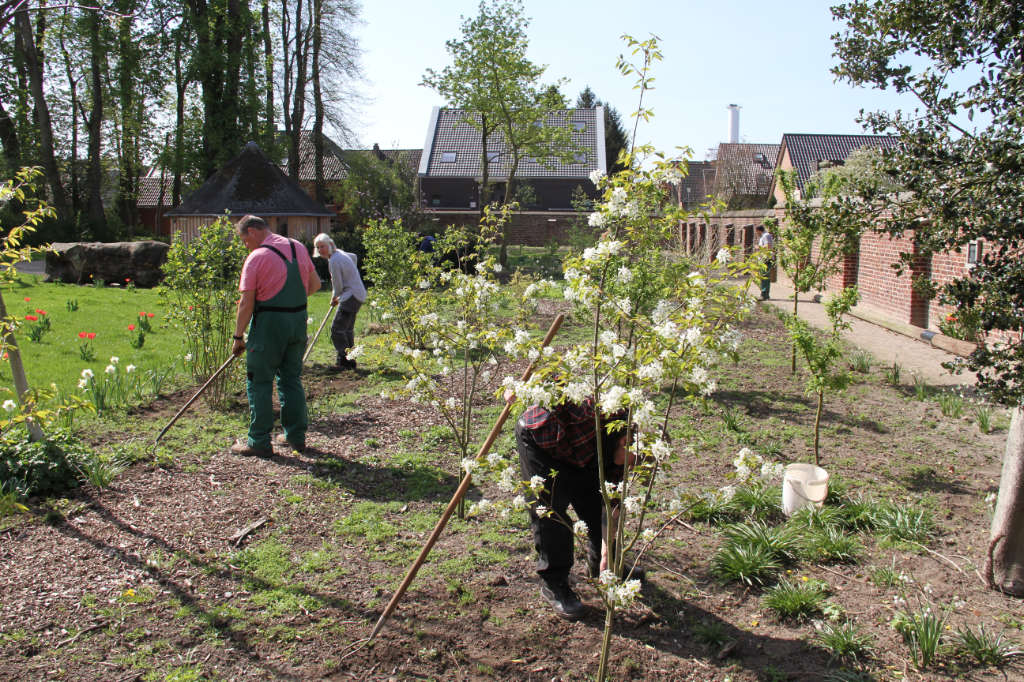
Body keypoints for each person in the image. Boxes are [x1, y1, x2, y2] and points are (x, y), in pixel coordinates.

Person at [515, 398, 627, 620]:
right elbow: (552, 381)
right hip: (543, 439)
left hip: (583, 447)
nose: (629, 466)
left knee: (596, 496)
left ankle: (601, 565)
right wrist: (521, 391)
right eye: (630, 459)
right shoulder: (594, 409)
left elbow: (612, 500)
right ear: (625, 442)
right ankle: (555, 582)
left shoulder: (624, 440)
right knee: (550, 511)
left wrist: (606, 553)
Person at [230, 215, 320, 457]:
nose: (245, 245)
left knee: (259, 381)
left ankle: (259, 441)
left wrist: (238, 337)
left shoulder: (256, 258)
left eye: (244, 239)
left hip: (269, 325)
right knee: (291, 378)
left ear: (252, 231)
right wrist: (290, 305)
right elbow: (314, 285)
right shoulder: (298, 247)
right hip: (297, 322)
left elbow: (246, 303)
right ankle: (295, 436)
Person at [313, 233, 366, 370]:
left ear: (330, 245)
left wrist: (334, 298)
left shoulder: (334, 261)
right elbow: (353, 257)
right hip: (358, 294)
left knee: (337, 329)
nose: (321, 250)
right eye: (318, 248)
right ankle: (350, 359)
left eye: (323, 246)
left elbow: (338, 285)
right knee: (347, 329)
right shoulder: (340, 254)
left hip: (351, 296)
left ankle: (344, 359)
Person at [756, 223, 775, 300]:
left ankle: (765, 295)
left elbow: (768, 246)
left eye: (756, 232)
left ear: (758, 230)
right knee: (763, 276)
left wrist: (758, 247)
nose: (756, 233)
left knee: (765, 277)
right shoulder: (763, 236)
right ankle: (763, 293)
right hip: (763, 259)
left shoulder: (766, 235)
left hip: (766, 259)